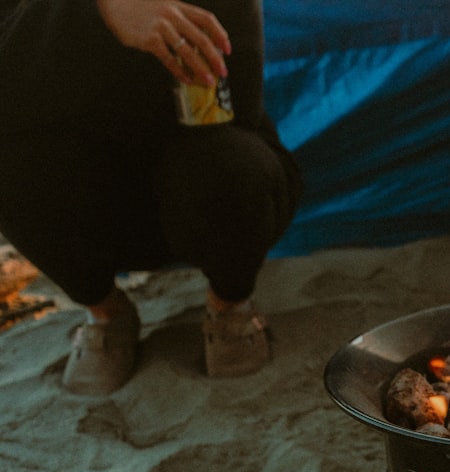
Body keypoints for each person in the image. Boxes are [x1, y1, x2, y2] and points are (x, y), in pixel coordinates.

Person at [0, 0, 302, 394]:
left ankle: (229, 306)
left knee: (228, 162)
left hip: (195, 185)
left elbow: (238, 107)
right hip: (84, 200)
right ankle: (106, 313)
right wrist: (99, 13)